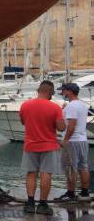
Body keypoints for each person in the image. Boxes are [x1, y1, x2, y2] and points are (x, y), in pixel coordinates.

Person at [19, 80, 66, 215]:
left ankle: (30, 203)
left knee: (31, 173)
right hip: (49, 146)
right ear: (49, 91)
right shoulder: (55, 107)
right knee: (46, 174)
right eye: (52, 92)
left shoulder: (25, 105)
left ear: (38, 90)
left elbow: (23, 122)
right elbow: (61, 127)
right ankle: (43, 205)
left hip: (30, 145)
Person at [55, 82, 90, 202]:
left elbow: (72, 125)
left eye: (63, 91)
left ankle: (70, 194)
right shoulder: (83, 105)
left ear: (69, 92)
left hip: (72, 141)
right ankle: (85, 193)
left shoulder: (72, 106)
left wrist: (65, 140)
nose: (62, 93)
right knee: (83, 167)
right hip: (83, 140)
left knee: (70, 168)